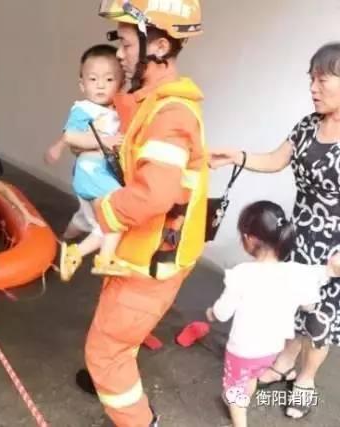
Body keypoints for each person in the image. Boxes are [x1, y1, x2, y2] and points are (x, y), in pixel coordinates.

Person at [75, 1, 208, 426]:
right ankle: (112, 367)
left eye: (128, 43)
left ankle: (138, 418)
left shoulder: (170, 114)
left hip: (152, 260)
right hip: (142, 249)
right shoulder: (155, 103)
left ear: (161, 45)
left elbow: (154, 194)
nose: (120, 54)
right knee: (116, 334)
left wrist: (103, 210)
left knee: (105, 350)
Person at [209, 42, 340, 419]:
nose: (313, 88)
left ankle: (306, 381)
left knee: (321, 317)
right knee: (289, 305)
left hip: (333, 247)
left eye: (322, 80)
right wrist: (238, 156)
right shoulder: (307, 125)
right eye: (311, 79)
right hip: (299, 235)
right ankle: (284, 361)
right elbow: (276, 159)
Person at [205, 201, 340, 427]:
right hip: (271, 351)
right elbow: (314, 289)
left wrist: (211, 313)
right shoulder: (295, 273)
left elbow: (222, 312)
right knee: (251, 378)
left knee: (234, 388)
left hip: (242, 351)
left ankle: (239, 416)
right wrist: (330, 269)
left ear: (249, 239)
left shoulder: (242, 274)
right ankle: (242, 399)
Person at [44, 44, 127, 281]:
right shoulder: (84, 108)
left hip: (97, 174)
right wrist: (106, 140)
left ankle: (73, 253)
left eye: (109, 79)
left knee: (102, 226)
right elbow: (71, 135)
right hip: (92, 172)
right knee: (119, 211)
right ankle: (103, 258)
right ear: (82, 85)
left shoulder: (115, 109)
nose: (100, 85)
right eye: (93, 79)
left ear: (121, 83)